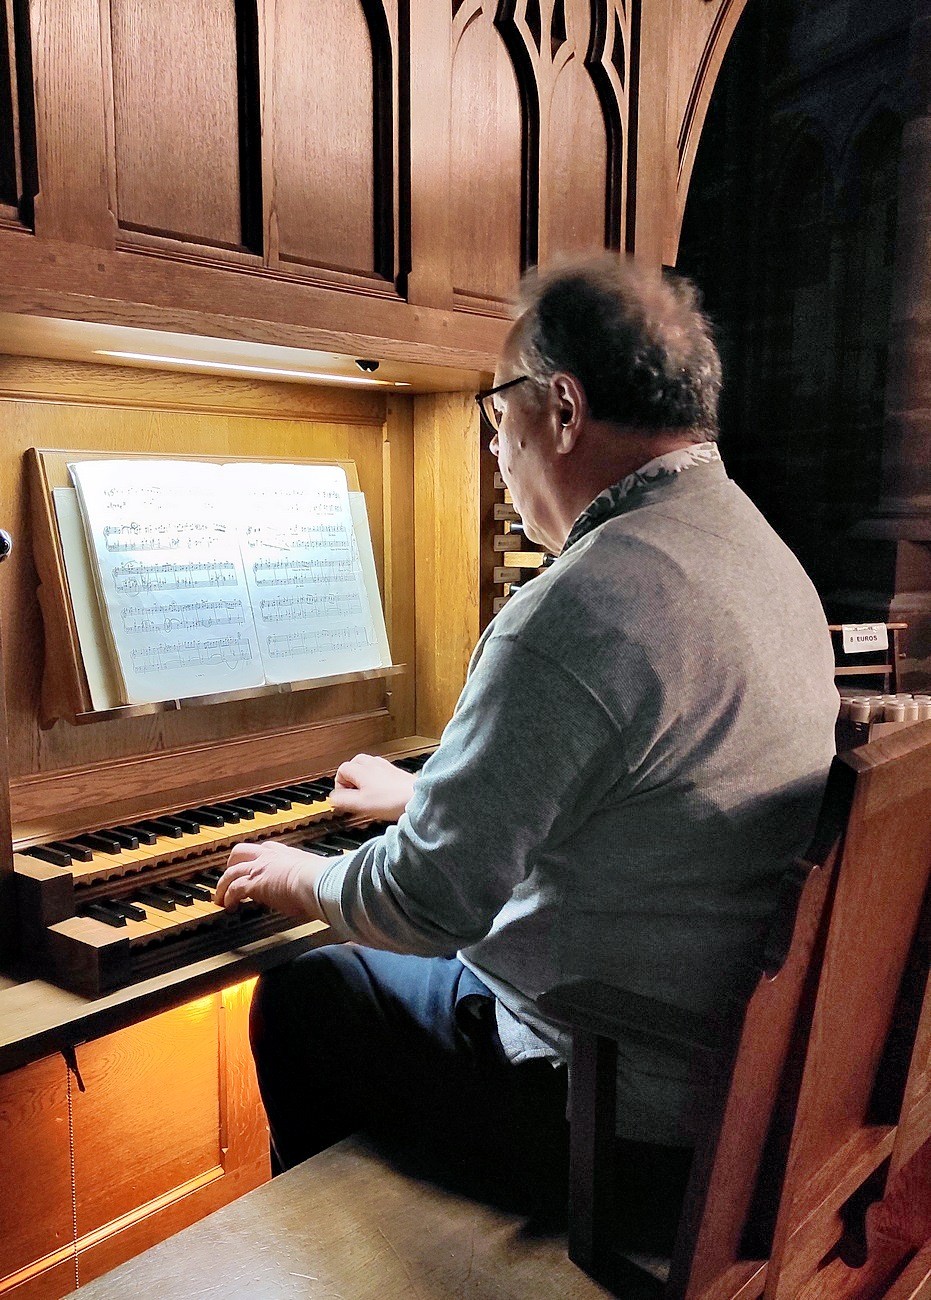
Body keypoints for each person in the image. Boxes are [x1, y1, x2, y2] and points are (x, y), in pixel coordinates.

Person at [216, 255, 838, 1209]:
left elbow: (429, 907)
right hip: (740, 1082)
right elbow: (646, 802)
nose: (498, 457)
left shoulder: (583, 603)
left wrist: (298, 875)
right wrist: (429, 798)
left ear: (562, 408)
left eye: (496, 416)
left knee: (308, 995)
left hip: (610, 1110)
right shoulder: (754, 548)